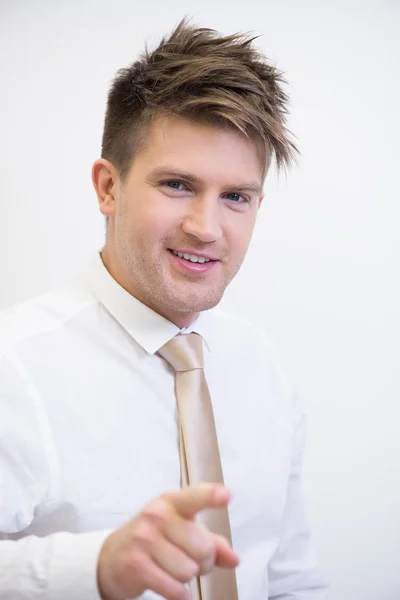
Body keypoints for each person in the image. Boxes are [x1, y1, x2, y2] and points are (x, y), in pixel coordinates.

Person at [0, 18, 328, 600]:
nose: (206, 228)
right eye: (177, 184)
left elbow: (288, 578)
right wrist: (93, 566)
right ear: (108, 188)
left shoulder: (260, 365)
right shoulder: (15, 367)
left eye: (236, 197)